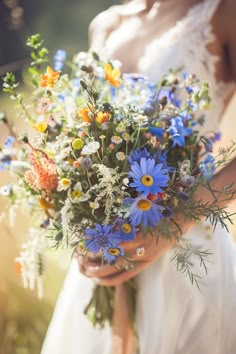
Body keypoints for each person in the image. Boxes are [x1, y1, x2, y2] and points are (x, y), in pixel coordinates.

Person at [41, 0, 236, 353]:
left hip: (187, 255)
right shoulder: (107, 24)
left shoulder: (222, 13)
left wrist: (174, 224)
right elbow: (84, 137)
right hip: (103, 253)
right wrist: (77, 220)